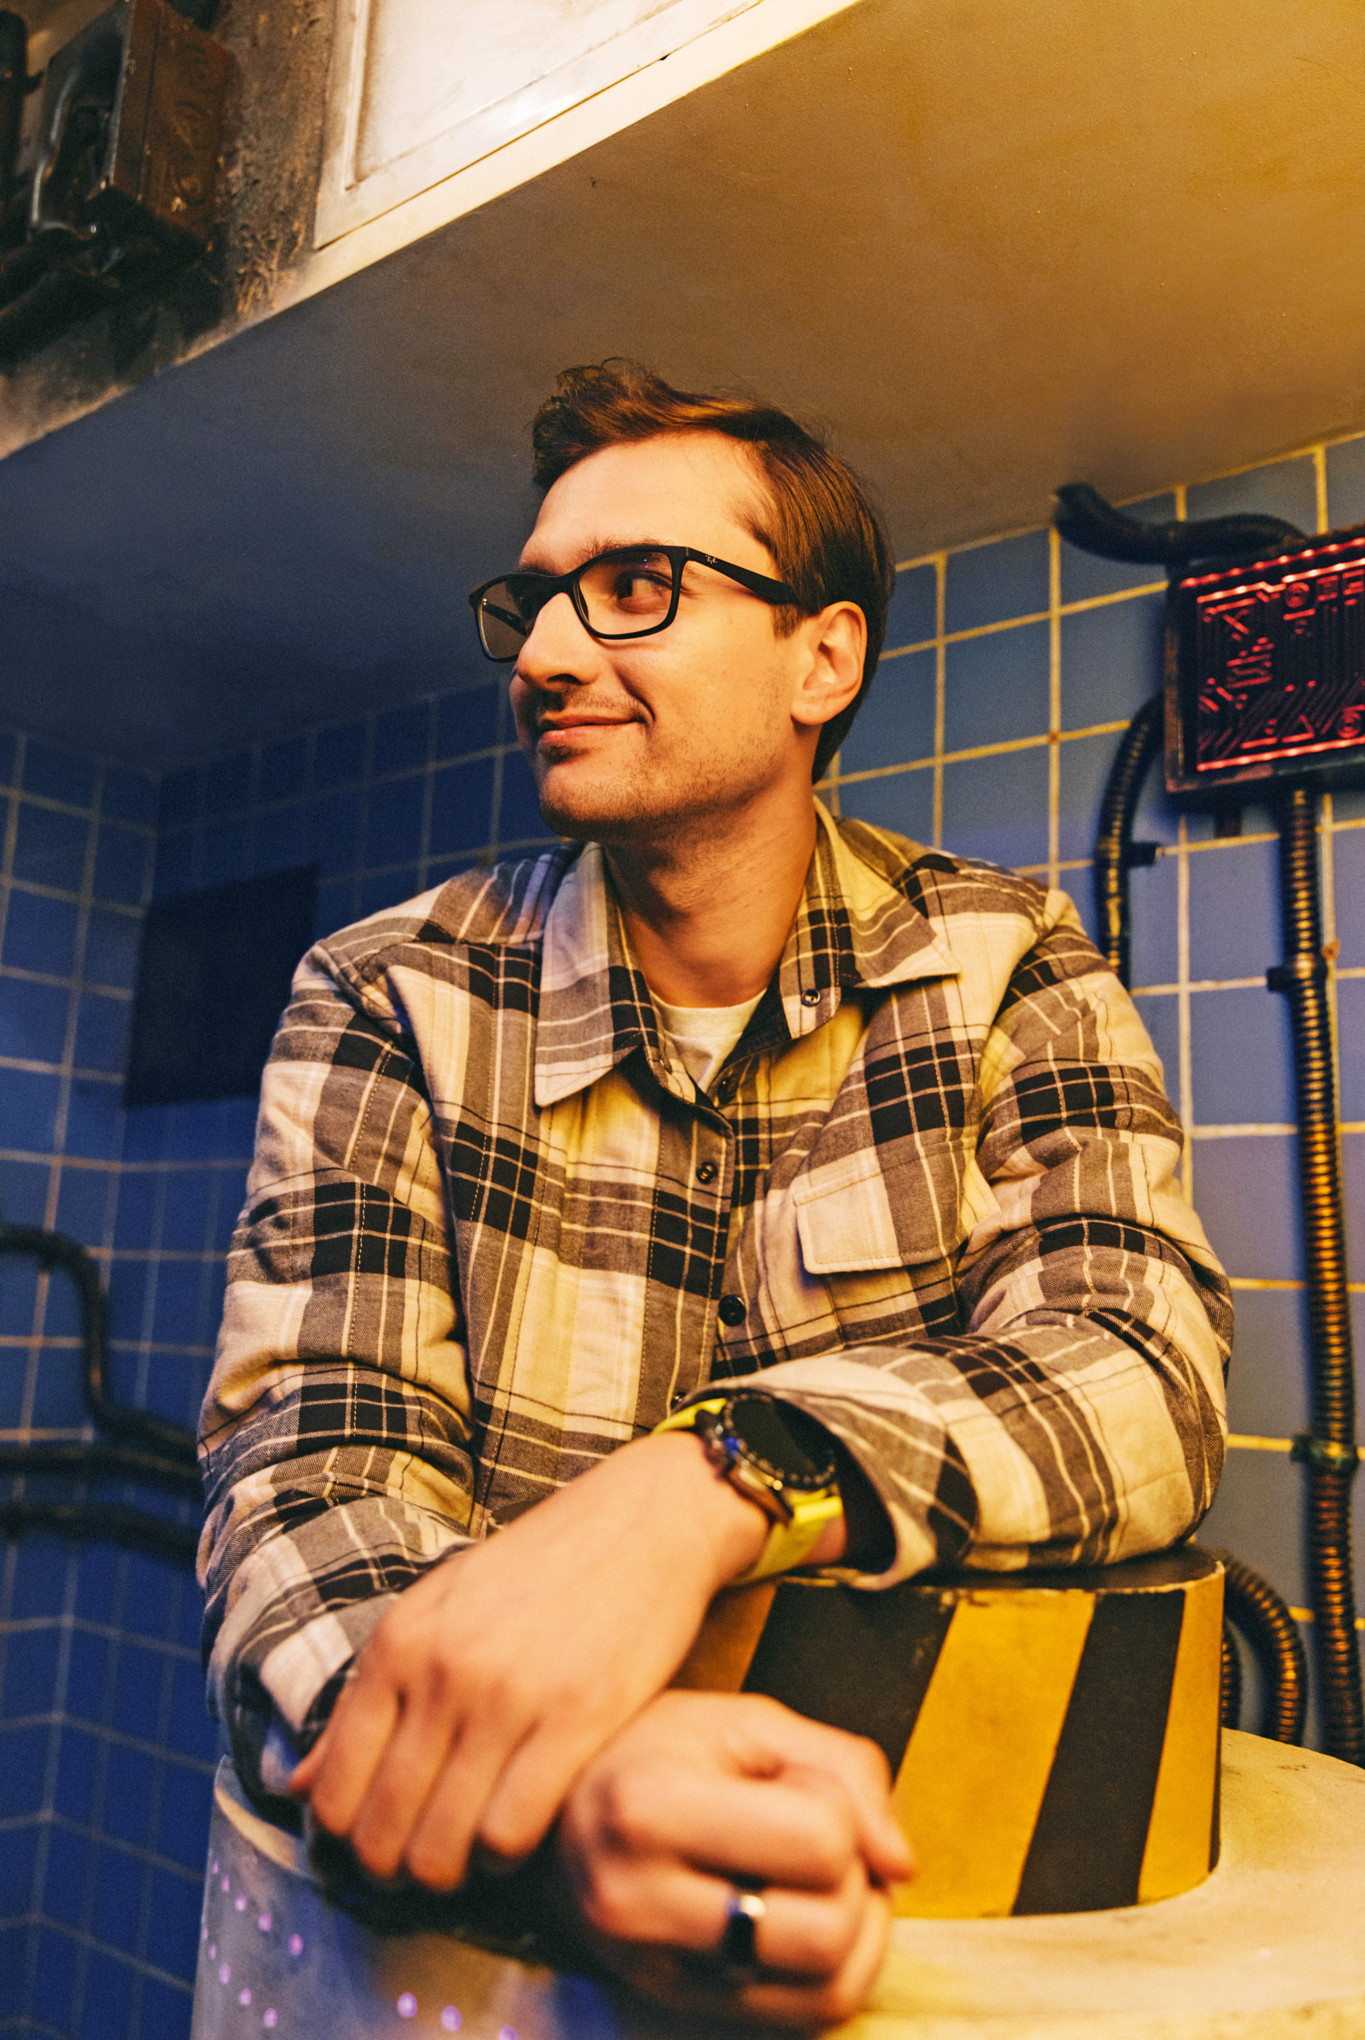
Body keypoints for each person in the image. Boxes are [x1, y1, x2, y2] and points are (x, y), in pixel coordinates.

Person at [198, 361, 1231, 2027]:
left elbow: (1141, 1360)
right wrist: (556, 1793)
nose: (543, 656)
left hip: (911, 1903)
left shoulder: (1005, 960)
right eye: (533, 602)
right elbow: (309, 1474)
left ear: (823, 658)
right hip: (445, 1955)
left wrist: (709, 1481)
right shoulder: (385, 992)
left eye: (632, 588)